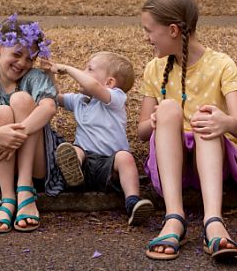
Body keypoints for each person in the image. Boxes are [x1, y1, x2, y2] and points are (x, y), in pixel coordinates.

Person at [137, 0, 237, 261]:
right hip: (172, 167)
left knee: (206, 117)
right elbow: (141, 132)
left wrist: (225, 121)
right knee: (169, 107)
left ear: (172, 30)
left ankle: (213, 222)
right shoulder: (154, 68)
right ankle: (174, 218)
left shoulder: (222, 64)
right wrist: (155, 120)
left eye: (149, 30)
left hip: (213, 164)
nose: (146, 38)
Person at [0, 15, 64, 232]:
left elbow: (48, 107)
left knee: (21, 99)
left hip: (38, 166)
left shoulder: (35, 78)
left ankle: (26, 189)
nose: (22, 63)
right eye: (17, 54)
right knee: (0, 113)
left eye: (30, 59)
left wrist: (16, 136)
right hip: (2, 167)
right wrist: (0, 135)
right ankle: (8, 198)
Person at [40, 51, 154, 225]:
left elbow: (93, 86)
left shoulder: (115, 98)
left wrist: (68, 69)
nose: (83, 73)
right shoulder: (80, 100)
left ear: (109, 83)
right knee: (74, 150)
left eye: (89, 69)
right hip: (85, 161)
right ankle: (73, 177)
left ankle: (132, 201)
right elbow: (54, 97)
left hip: (110, 165)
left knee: (125, 157)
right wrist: (49, 72)